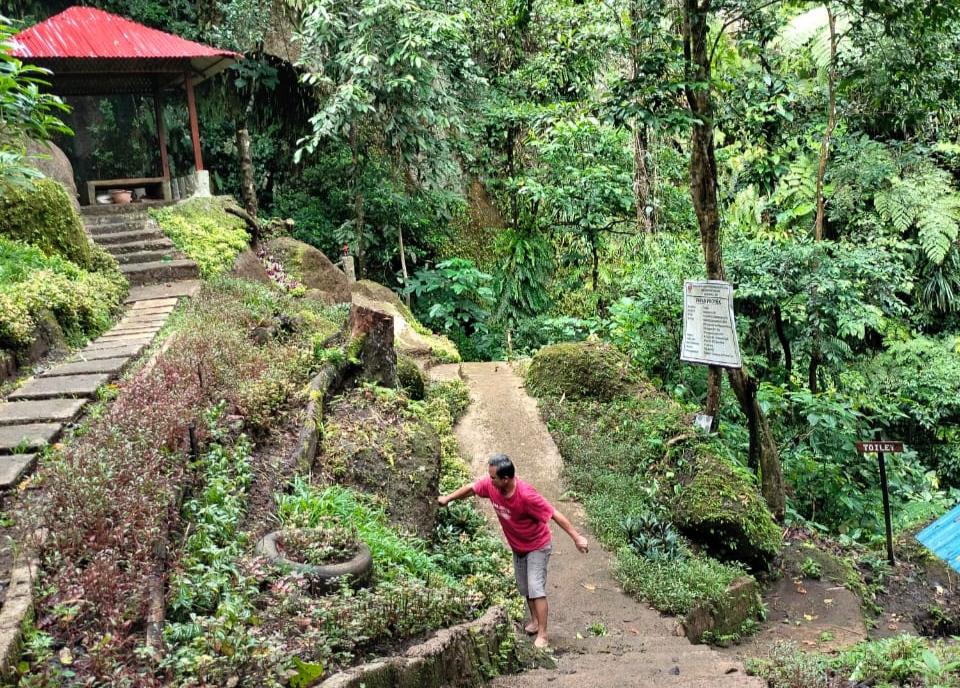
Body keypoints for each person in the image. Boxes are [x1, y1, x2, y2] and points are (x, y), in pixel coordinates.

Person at [437, 453, 589, 649]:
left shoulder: (526, 495)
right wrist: (448, 499)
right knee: (524, 587)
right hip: (518, 547)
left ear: (506, 479)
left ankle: (543, 634)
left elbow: (553, 513)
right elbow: (471, 489)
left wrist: (577, 537)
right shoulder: (491, 486)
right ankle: (534, 621)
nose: (489, 481)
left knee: (535, 588)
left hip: (537, 546)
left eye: (493, 477)